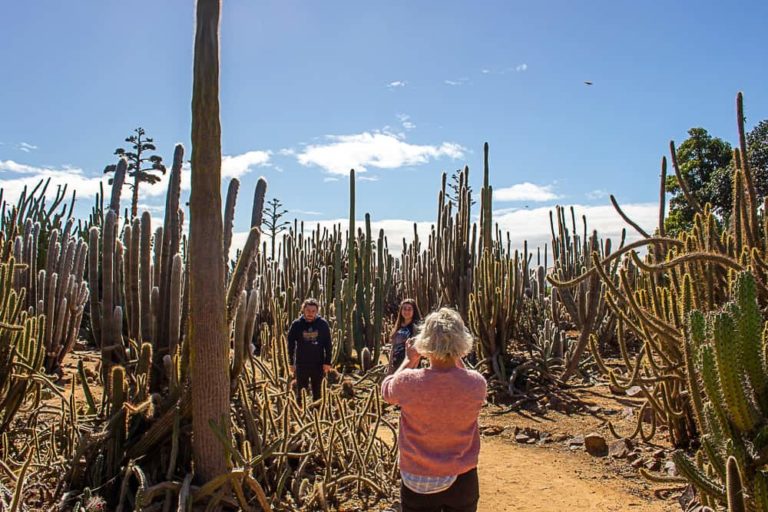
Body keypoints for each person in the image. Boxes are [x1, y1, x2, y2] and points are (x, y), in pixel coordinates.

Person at [381, 307, 486, 512]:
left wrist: (409, 360)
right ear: (462, 342)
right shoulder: (476, 384)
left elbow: (387, 390)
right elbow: (462, 376)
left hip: (416, 480)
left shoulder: (408, 381)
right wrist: (454, 354)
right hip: (461, 479)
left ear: (424, 342)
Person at [287, 298, 332, 402]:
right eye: (308, 311)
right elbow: (290, 344)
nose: (310, 313)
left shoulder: (323, 325)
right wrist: (291, 362)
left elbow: (328, 344)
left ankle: (317, 414)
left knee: (318, 393)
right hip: (301, 364)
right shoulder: (296, 325)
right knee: (300, 393)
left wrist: (327, 362)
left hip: (318, 364)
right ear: (303, 310)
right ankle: (300, 414)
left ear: (317, 311)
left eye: (313, 311)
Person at [387, 298, 422, 375]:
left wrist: (413, 367)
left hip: (409, 366)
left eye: (409, 309)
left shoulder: (416, 327)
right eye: (404, 309)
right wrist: (389, 367)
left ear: (414, 311)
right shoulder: (398, 327)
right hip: (396, 364)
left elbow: (418, 350)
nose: (406, 311)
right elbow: (393, 348)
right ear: (401, 311)